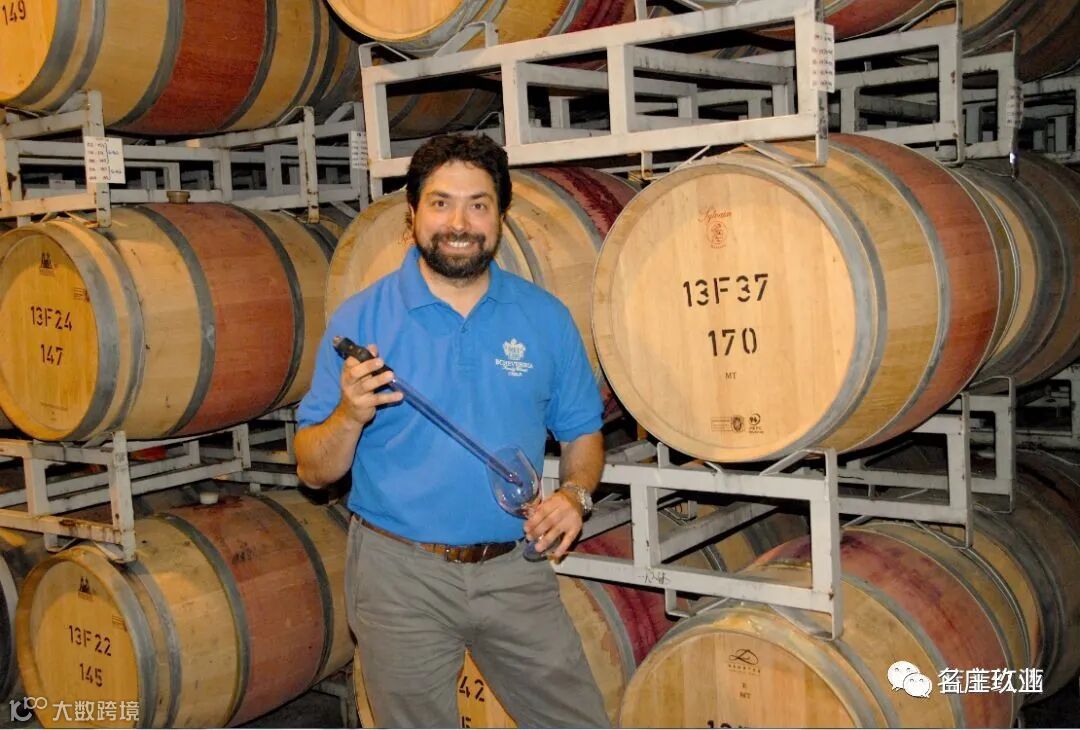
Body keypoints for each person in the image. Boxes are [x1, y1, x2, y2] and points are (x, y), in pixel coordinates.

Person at [294, 133, 609, 728]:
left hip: (516, 566)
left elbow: (582, 433)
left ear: (501, 217)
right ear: (412, 216)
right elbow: (313, 470)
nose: (459, 223)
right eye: (441, 203)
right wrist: (349, 415)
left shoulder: (544, 317)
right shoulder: (361, 318)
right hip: (399, 575)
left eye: (478, 205)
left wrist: (575, 494)